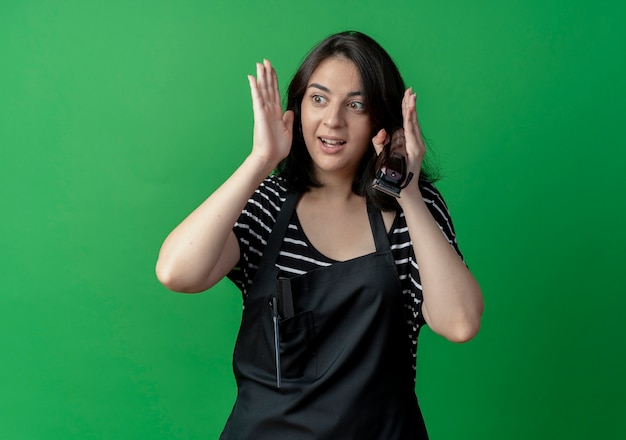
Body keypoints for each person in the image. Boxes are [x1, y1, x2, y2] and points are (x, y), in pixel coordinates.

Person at [156, 30, 483, 439]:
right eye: (318, 98)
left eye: (356, 104)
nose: (333, 120)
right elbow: (176, 272)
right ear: (298, 107)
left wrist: (409, 194)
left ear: (382, 121)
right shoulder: (268, 203)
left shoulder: (411, 211)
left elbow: (460, 323)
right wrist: (261, 160)